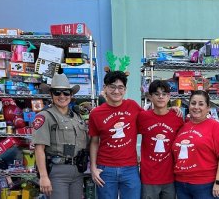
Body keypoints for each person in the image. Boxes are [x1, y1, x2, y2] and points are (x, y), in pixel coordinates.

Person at [32, 73, 88, 199]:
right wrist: (44, 176)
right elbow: (39, 149)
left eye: (66, 93)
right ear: (51, 95)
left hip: (78, 171)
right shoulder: (45, 116)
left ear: (71, 95)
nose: (62, 96)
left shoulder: (77, 117)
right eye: (57, 93)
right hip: (57, 171)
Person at [89, 70, 142, 199]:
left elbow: (151, 119)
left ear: (125, 89)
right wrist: (93, 168)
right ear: (105, 88)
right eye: (112, 87)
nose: (116, 91)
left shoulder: (133, 106)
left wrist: (171, 109)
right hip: (105, 169)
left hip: (130, 167)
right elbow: (94, 141)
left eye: (120, 87)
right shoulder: (96, 113)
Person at [172, 90, 219, 199]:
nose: (196, 107)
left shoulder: (215, 127)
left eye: (201, 104)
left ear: (208, 108)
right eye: (193, 103)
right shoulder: (183, 126)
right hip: (182, 184)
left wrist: (218, 182)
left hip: (206, 185)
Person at [137, 80, 184, 199]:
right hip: (149, 176)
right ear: (150, 97)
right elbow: (129, 135)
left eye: (164, 94)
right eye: (157, 94)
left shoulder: (177, 117)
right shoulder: (143, 117)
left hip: (170, 176)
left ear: (169, 97)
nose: (161, 97)